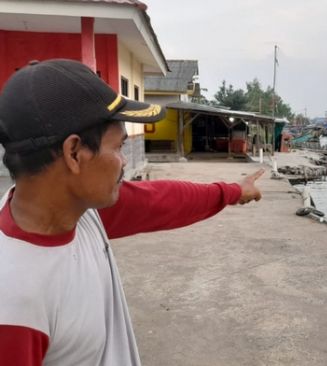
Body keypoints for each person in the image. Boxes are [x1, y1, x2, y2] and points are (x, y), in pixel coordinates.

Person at [0, 59, 264, 365]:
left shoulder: (78, 211)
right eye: (118, 148)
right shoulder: (14, 305)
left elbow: (163, 201)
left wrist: (232, 191)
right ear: (74, 153)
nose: (124, 161)